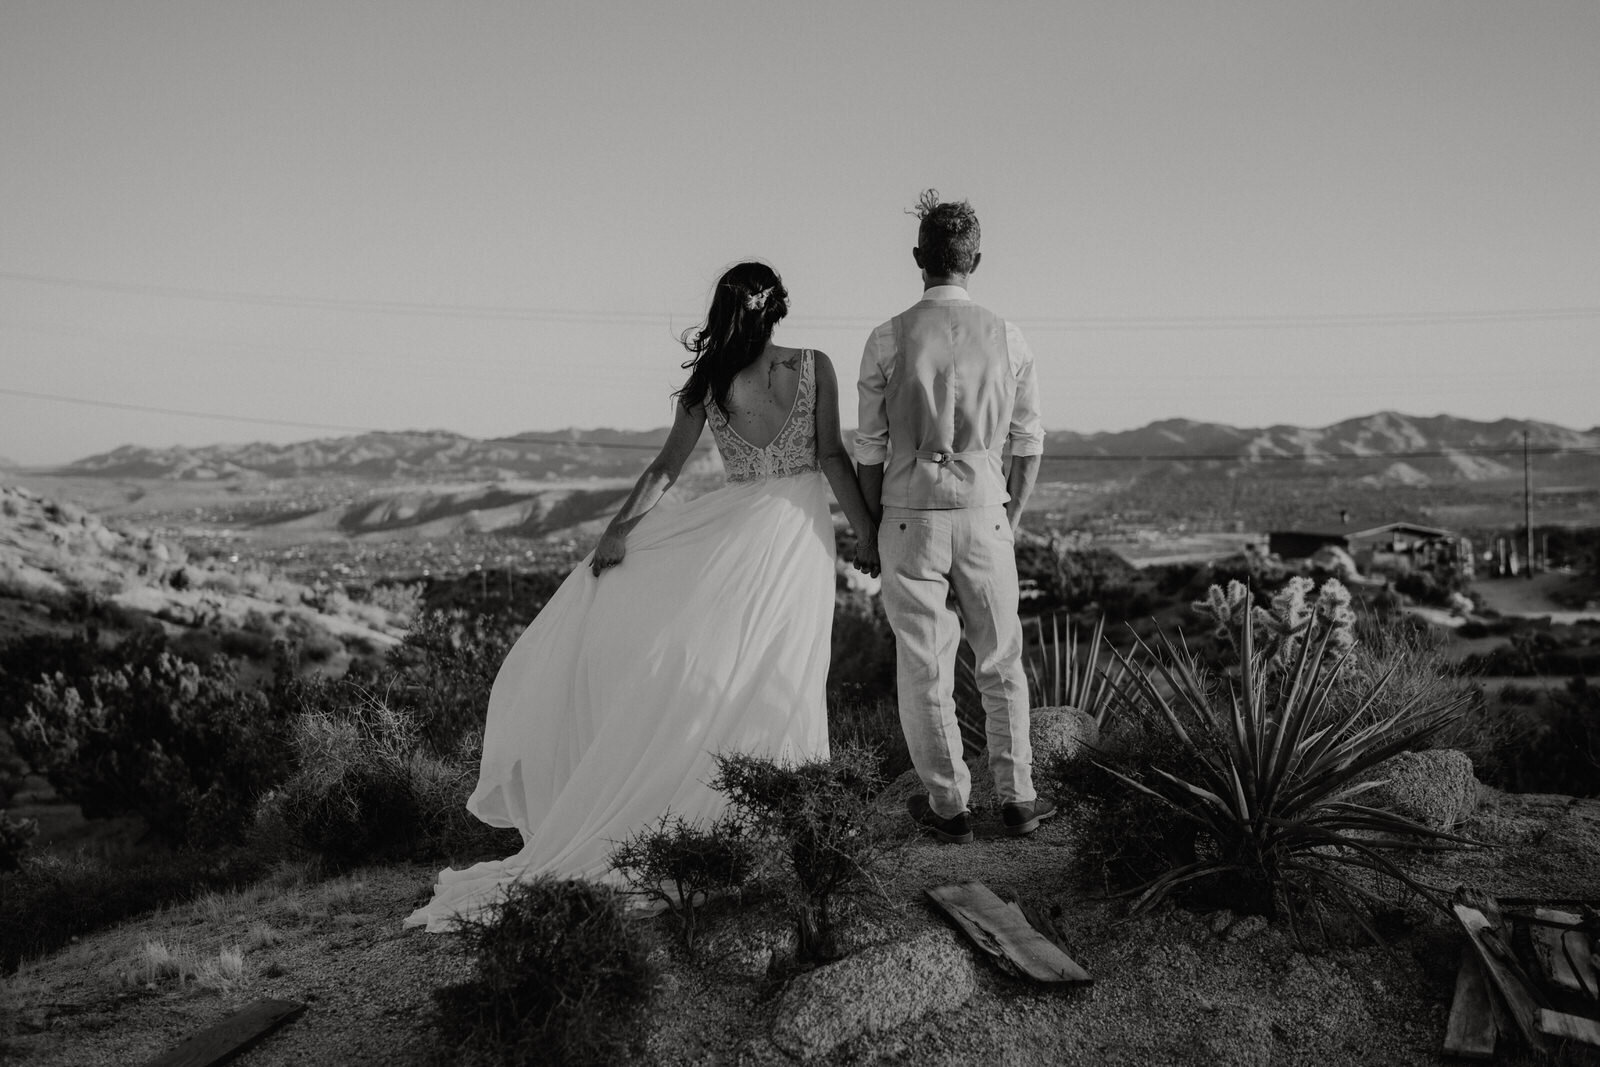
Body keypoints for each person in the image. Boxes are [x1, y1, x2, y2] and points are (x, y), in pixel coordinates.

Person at [405, 261, 880, 931]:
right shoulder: (814, 366)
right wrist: (870, 537)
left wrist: (618, 531)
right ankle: (779, 819)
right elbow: (832, 456)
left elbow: (665, 468)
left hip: (739, 531)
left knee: (735, 664)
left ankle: (742, 818)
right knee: (787, 672)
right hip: (800, 532)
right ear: (779, 309)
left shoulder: (709, 385)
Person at [855, 190, 1052, 845]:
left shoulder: (886, 337)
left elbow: (870, 447)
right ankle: (1020, 798)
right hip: (985, 512)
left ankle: (949, 807)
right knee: (1000, 659)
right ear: (976, 259)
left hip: (910, 516)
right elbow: (1028, 439)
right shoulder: (1010, 335)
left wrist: (875, 522)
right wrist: (1012, 513)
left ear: (919, 258)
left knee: (925, 668)